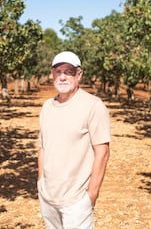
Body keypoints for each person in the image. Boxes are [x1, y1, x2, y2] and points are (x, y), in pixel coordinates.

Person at [37, 51, 111, 229]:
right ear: (52, 74)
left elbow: (103, 153)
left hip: (76, 200)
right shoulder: (47, 107)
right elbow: (42, 146)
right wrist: (41, 181)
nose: (62, 77)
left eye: (68, 72)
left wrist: (90, 196)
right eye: (58, 71)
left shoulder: (93, 105)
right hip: (48, 197)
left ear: (79, 75)